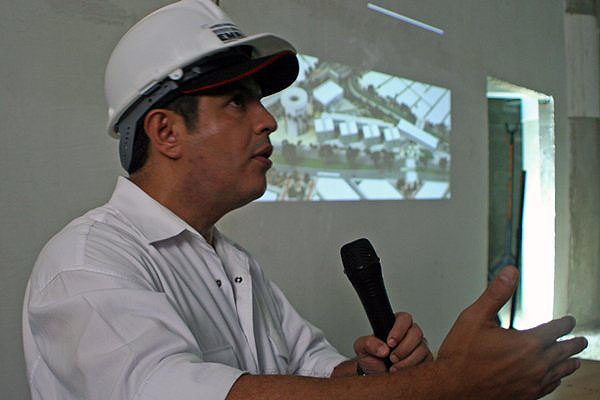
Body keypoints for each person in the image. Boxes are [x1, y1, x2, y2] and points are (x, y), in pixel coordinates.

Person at [22, 1, 587, 399]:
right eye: (237, 102)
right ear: (166, 132)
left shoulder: (233, 263)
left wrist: (368, 375)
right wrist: (448, 385)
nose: (268, 120)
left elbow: (311, 367)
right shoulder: (87, 265)